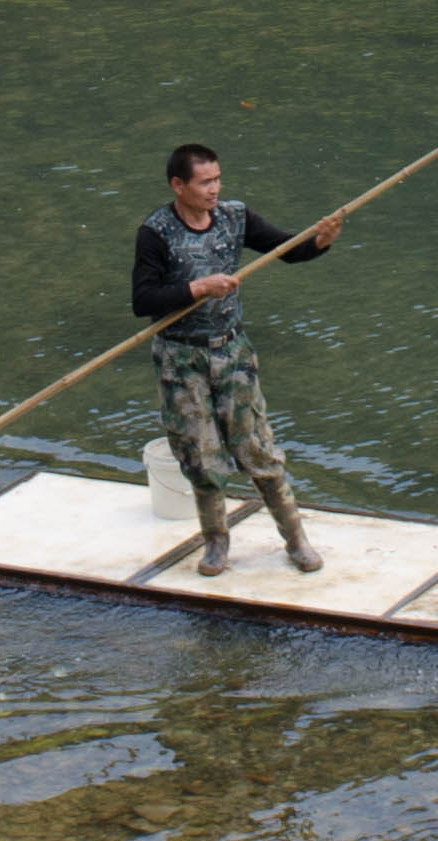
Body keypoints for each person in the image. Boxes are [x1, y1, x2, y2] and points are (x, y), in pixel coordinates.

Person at [130, 142, 341, 575]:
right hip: (180, 359)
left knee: (258, 449)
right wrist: (198, 288)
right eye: (204, 182)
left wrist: (319, 242)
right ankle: (216, 544)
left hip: (231, 352)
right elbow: (142, 299)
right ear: (178, 185)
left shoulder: (234, 217)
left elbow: (286, 248)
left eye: (217, 179)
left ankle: (296, 540)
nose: (214, 189)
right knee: (200, 457)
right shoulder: (155, 232)